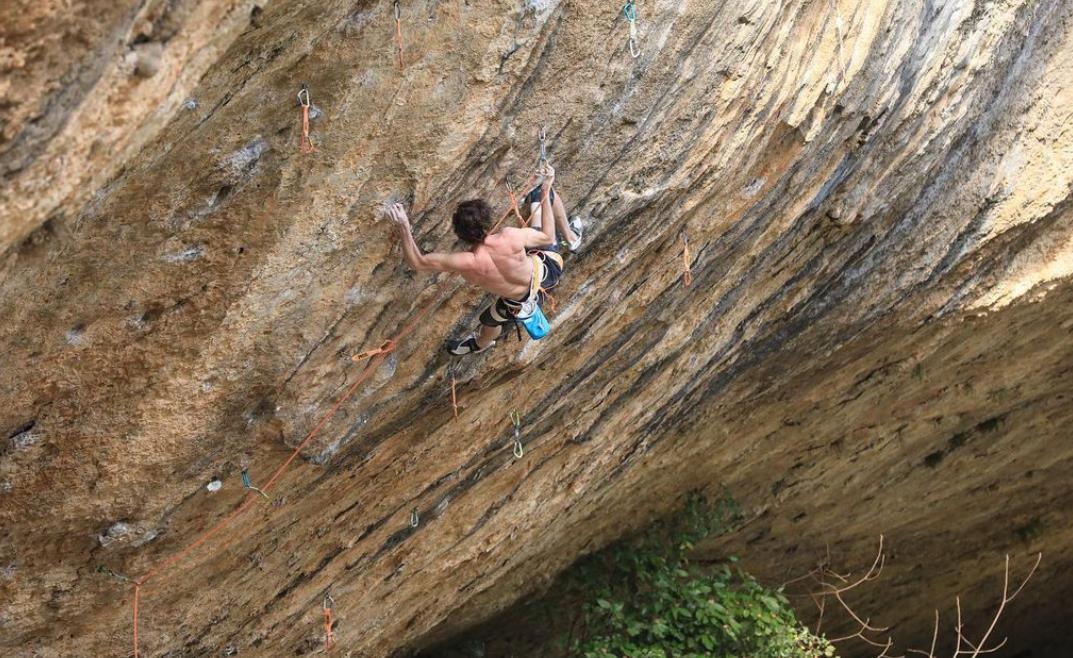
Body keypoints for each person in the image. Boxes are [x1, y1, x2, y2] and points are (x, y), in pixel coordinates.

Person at [387, 164, 583, 355]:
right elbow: (548, 237)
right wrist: (546, 187)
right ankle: (572, 238)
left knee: (489, 321)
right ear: (488, 221)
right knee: (539, 197)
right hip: (548, 272)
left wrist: (404, 225)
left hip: (518, 301)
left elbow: (417, 262)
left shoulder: (466, 262)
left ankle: (480, 345)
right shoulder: (509, 237)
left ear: (459, 234)